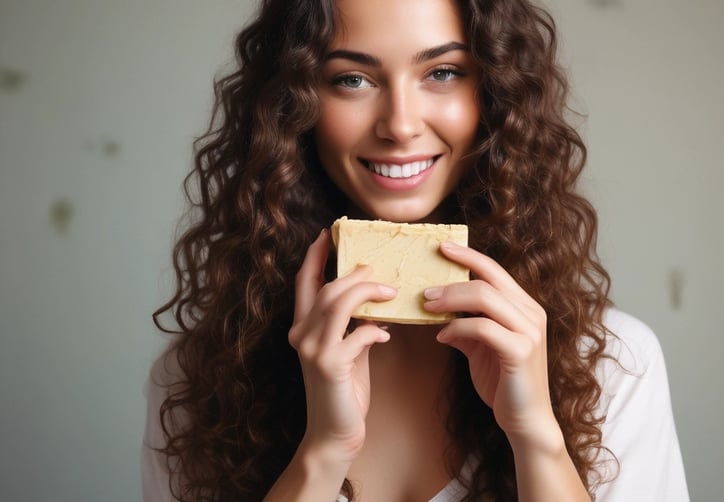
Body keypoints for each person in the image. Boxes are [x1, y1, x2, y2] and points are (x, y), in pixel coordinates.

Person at [143, 0, 689, 500]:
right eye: (352, 79)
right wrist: (323, 452)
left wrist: (538, 441)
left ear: (495, 92)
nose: (400, 125)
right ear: (294, 106)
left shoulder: (615, 364)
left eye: (443, 72)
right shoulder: (202, 377)